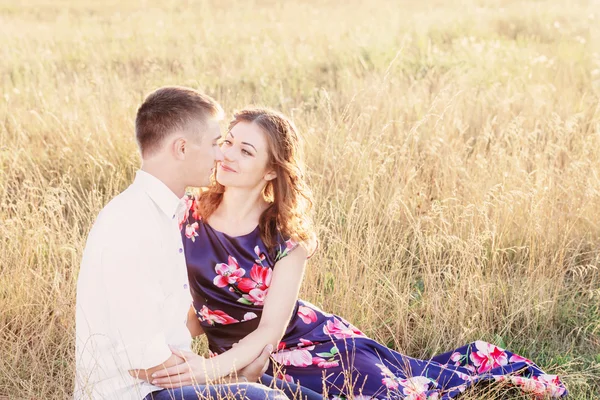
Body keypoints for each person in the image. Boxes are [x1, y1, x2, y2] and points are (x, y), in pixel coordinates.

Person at [152, 107, 568, 399]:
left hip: (311, 346)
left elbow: (268, 333)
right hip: (237, 361)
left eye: (246, 151)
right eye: (227, 142)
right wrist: (161, 347)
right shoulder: (186, 211)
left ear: (272, 170)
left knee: (400, 395)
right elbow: (193, 303)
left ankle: (484, 374)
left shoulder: (285, 237)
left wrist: (207, 369)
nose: (226, 155)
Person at [74, 87, 289, 400]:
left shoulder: (168, 213)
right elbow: (145, 360)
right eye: (217, 143)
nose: (221, 155)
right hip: (137, 393)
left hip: (167, 384)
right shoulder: (132, 222)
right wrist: (227, 377)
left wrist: (229, 374)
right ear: (182, 148)